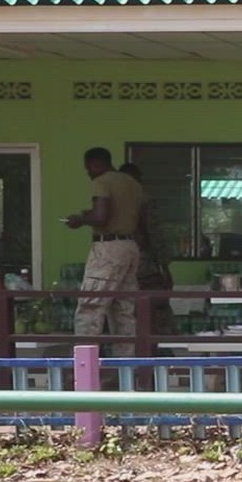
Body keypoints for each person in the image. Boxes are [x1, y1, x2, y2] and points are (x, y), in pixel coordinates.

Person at [64, 147, 145, 356]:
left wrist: (80, 219)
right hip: (130, 246)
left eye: (88, 169)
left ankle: (83, 366)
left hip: (108, 248)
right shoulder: (132, 183)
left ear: (95, 164)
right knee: (123, 310)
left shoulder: (102, 182)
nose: (89, 173)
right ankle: (126, 369)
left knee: (90, 305)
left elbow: (101, 218)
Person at [118, 162, 177, 340]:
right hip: (144, 265)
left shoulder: (111, 201)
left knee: (124, 309)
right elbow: (154, 234)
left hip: (118, 263)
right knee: (155, 309)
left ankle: (132, 350)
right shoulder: (143, 200)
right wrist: (164, 268)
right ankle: (158, 348)